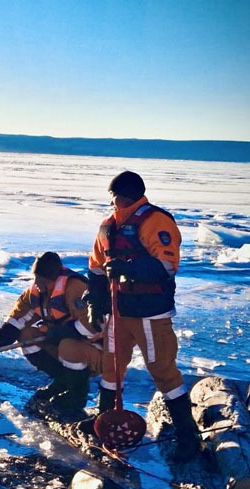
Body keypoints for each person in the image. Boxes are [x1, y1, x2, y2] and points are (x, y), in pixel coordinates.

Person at [86, 171, 200, 460]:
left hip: (150, 311)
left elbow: (166, 264)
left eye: (117, 196)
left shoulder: (156, 221)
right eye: (113, 197)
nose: (114, 201)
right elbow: (97, 268)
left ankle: (188, 436)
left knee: (162, 369)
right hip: (119, 310)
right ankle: (105, 423)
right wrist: (96, 300)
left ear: (130, 195)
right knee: (111, 367)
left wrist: (129, 269)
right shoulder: (107, 227)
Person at [0, 252, 102, 419]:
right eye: (37, 278)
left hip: (98, 352)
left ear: (55, 277)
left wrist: (60, 334)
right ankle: (63, 381)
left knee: (68, 346)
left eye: (43, 280)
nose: (38, 284)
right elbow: (17, 320)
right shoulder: (35, 293)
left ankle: (76, 396)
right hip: (64, 346)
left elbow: (92, 325)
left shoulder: (75, 288)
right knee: (27, 335)